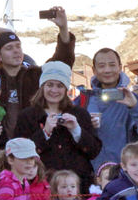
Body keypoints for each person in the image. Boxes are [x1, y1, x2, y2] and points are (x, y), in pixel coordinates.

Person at [0, 8, 75, 133]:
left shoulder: (35, 75)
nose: (16, 51)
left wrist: (63, 28)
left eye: (18, 46)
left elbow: (62, 61)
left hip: (32, 143)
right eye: (9, 48)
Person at [14, 61, 101, 191]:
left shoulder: (80, 114)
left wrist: (76, 130)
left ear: (66, 88)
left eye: (60, 86)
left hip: (77, 187)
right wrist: (45, 132)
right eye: (50, 85)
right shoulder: (27, 116)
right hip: (41, 188)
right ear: (42, 86)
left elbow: (94, 151)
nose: (54, 90)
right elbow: (19, 153)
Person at [78, 47, 138, 169]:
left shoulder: (133, 99)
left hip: (124, 173)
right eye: (102, 66)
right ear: (94, 70)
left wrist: (135, 107)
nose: (107, 70)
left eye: (112, 65)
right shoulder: (84, 100)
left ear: (120, 68)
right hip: (90, 175)